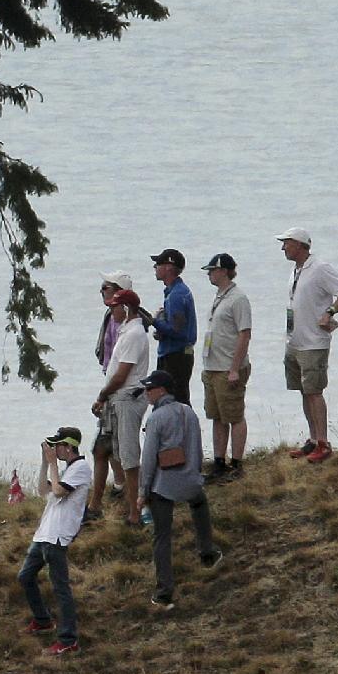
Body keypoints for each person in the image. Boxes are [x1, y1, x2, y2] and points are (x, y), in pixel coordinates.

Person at [137, 368, 220, 610]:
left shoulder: (155, 418)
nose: (146, 394)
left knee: (161, 537)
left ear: (161, 390)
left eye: (149, 389)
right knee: (199, 504)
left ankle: (164, 592)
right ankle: (207, 552)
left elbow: (149, 458)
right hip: (191, 479)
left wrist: (143, 492)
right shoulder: (188, 413)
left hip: (164, 485)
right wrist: (195, 475)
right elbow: (197, 448)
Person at [278, 227, 338, 463]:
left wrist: (329, 312)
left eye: (287, 243)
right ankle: (313, 439)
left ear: (300, 245)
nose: (283, 248)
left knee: (314, 391)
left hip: (314, 342)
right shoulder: (297, 270)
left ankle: (323, 442)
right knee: (303, 390)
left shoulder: (320, 268)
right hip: (295, 341)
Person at [18, 424, 93, 654]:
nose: (55, 450)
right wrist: (45, 462)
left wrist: (52, 464)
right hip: (44, 535)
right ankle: (43, 620)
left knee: (61, 589)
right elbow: (43, 489)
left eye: (57, 446)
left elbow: (59, 491)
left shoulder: (81, 468)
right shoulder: (66, 470)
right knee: (25, 576)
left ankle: (68, 639)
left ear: (69, 447)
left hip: (58, 537)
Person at [93, 279, 150, 530]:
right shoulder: (128, 331)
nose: (112, 311)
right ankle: (128, 507)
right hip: (120, 398)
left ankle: (135, 512)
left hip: (127, 398)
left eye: (116, 307)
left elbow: (122, 373)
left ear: (125, 309)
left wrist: (103, 394)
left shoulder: (135, 334)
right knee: (111, 449)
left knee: (128, 456)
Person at [199, 254, 253, 480]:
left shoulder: (238, 298)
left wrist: (234, 368)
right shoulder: (219, 296)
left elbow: (244, 334)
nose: (210, 273)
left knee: (234, 414)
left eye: (213, 270)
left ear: (224, 271)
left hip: (228, 368)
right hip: (212, 367)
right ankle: (219, 461)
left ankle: (237, 463)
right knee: (217, 415)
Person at [148, 249, 198, 392]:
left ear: (168, 267)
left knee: (174, 397)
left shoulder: (176, 295)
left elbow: (178, 330)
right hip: (177, 353)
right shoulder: (175, 292)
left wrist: (154, 321)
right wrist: (161, 331)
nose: (155, 268)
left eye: (157, 264)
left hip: (176, 356)